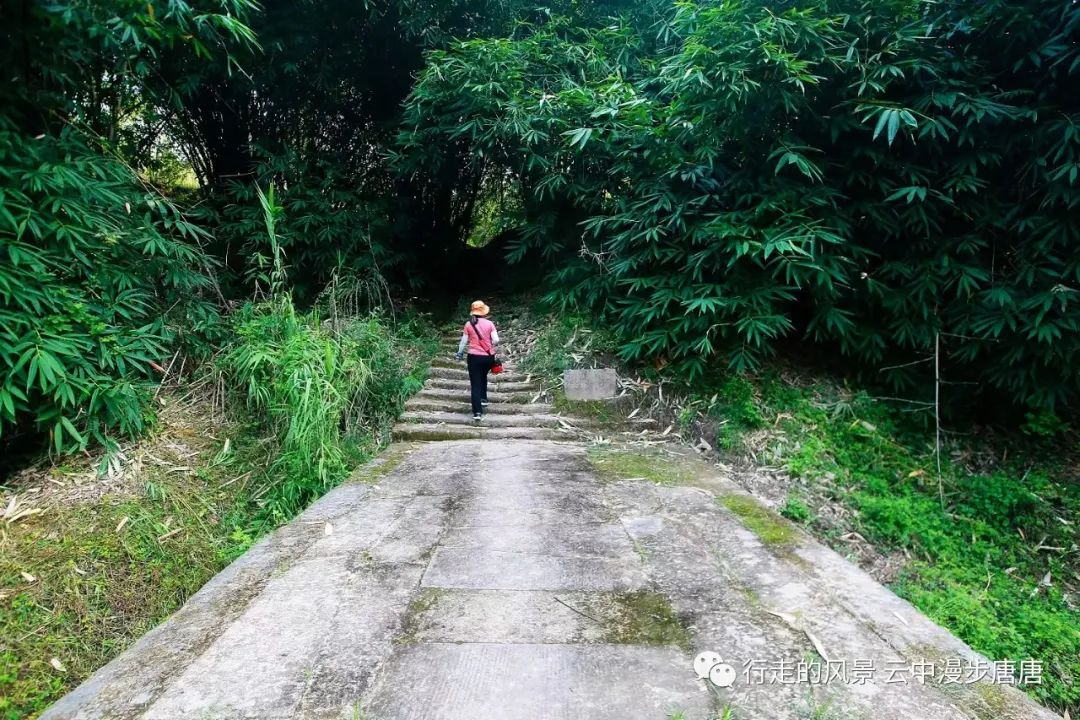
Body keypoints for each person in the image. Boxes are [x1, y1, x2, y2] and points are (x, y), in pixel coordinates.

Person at [455, 300, 499, 421]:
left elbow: (463, 342)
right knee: (483, 376)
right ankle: (483, 399)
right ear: (484, 311)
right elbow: (496, 340)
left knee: (475, 383)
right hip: (487, 356)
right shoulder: (490, 324)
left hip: (474, 357)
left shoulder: (468, 324)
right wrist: (489, 344)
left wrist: (459, 354)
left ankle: (477, 412)